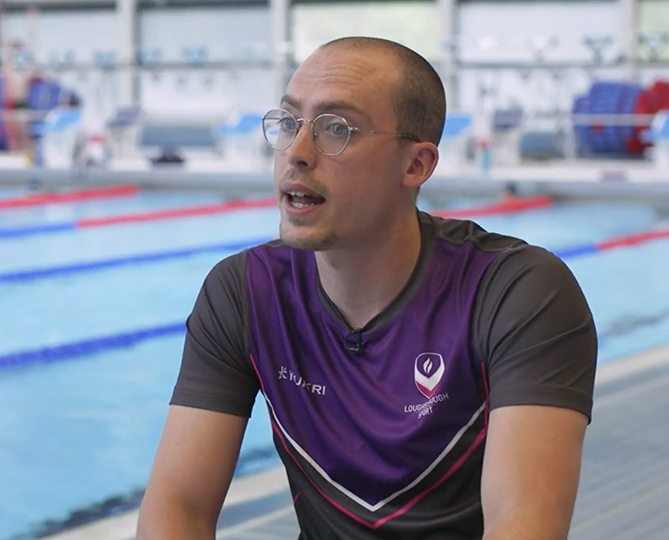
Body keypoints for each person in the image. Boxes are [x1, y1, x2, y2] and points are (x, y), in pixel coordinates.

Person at [136, 36, 596, 540]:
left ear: (415, 165)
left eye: (337, 129)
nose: (297, 153)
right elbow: (177, 510)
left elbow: (523, 525)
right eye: (289, 123)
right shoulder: (246, 293)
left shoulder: (515, 293)